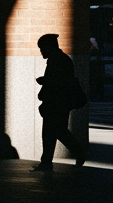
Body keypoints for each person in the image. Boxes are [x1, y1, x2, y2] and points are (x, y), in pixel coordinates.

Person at [32, 33, 87, 172]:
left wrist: (44, 81)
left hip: (57, 104)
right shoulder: (61, 59)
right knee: (53, 132)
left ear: (50, 46)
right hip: (59, 103)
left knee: (54, 132)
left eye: (42, 48)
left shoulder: (57, 60)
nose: (41, 51)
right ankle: (46, 162)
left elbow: (57, 82)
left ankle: (76, 153)